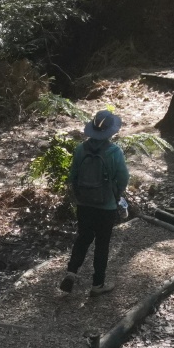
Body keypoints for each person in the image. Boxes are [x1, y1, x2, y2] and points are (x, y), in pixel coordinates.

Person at [60, 109, 129, 296]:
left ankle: (71, 273)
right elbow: (124, 178)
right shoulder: (114, 152)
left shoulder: (81, 149)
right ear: (111, 132)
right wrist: (117, 192)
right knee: (102, 244)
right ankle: (97, 284)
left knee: (83, 238)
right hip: (106, 206)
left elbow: (72, 175)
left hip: (83, 204)